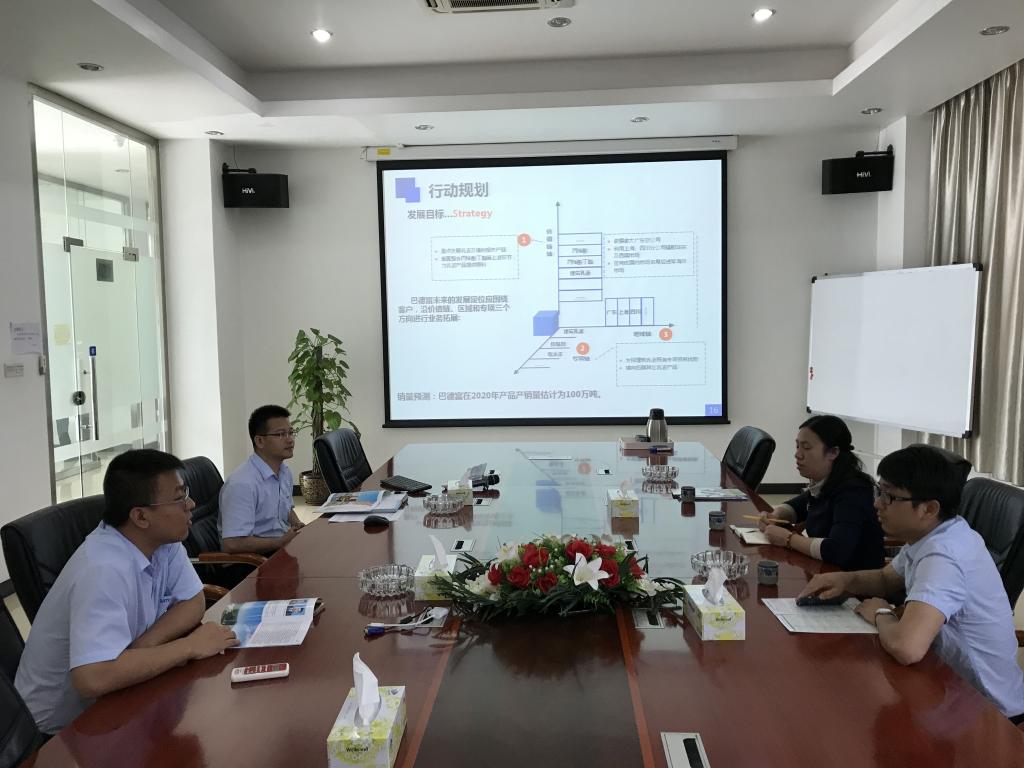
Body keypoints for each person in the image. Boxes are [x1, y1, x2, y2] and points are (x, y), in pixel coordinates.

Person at [14, 449, 238, 735]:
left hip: (120, 695)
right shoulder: (102, 568)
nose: (191, 504)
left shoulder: (163, 541)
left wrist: (141, 649)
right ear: (140, 516)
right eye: (179, 497)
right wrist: (190, 646)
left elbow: (193, 600)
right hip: (61, 731)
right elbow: (93, 678)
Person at [800, 445, 1024, 723]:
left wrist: (880, 613)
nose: (877, 504)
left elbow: (907, 647)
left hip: (987, 713)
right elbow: (885, 579)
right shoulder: (936, 533)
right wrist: (846, 579)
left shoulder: (944, 555)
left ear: (929, 508)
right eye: (879, 491)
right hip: (946, 687)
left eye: (889, 496)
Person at [758, 414, 883, 570]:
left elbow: (836, 550)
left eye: (806, 447)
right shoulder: (826, 481)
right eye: (797, 446)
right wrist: (776, 515)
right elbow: (799, 505)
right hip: (824, 571)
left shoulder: (854, 491)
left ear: (833, 452)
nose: (798, 454)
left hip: (852, 579)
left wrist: (788, 539)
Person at [219, 404, 305, 554]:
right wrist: (279, 542)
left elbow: (286, 509)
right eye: (281, 434)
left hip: (279, 548)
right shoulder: (242, 484)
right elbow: (232, 544)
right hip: (253, 560)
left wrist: (298, 525)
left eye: (291, 433)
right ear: (259, 441)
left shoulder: (284, 472)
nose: (290, 440)